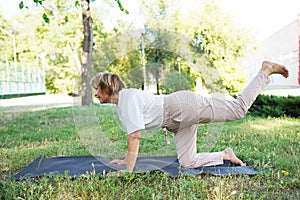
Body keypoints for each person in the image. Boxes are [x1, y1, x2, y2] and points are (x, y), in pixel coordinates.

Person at [91, 61, 289, 173]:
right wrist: (127, 160)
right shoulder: (124, 102)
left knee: (238, 110)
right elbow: (133, 134)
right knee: (188, 162)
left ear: (107, 88)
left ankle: (265, 70)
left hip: (181, 108)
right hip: (175, 120)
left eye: (97, 90)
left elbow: (134, 136)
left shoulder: (127, 99)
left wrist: (129, 170)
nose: (96, 94)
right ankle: (224, 155)